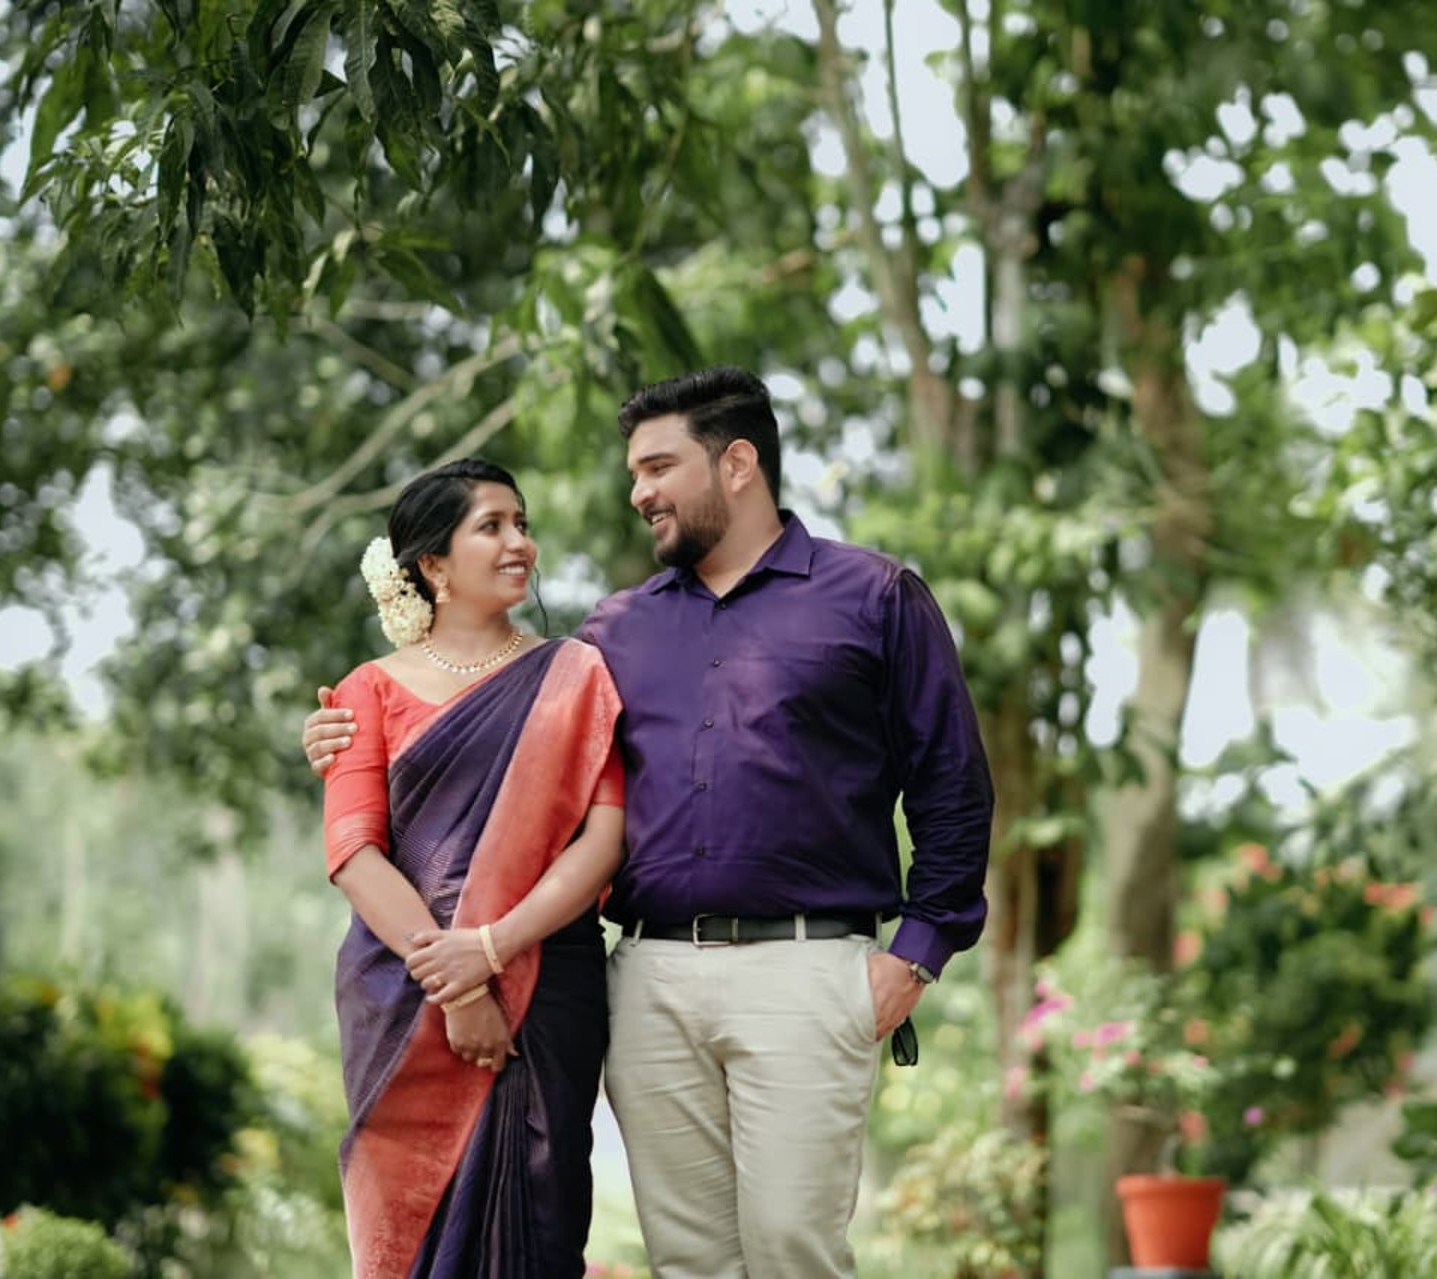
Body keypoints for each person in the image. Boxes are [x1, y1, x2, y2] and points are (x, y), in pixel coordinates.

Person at [306, 368, 993, 1279]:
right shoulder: (612, 633)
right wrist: (339, 734)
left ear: (737, 462)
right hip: (650, 980)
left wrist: (914, 956)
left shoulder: (871, 596)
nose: (639, 493)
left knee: (795, 1246)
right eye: (635, 471)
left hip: (809, 970)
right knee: (687, 1262)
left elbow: (952, 783)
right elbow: (494, 727)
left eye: (659, 467)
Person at [319, 458, 626, 1279]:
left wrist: (491, 949)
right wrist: (456, 984)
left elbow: (604, 837)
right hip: (402, 990)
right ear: (432, 564)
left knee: (542, 1216)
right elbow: (354, 851)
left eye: (521, 523)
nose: (519, 541)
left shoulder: (575, 675)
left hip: (547, 976)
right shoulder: (366, 691)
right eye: (491, 526)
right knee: (416, 1230)